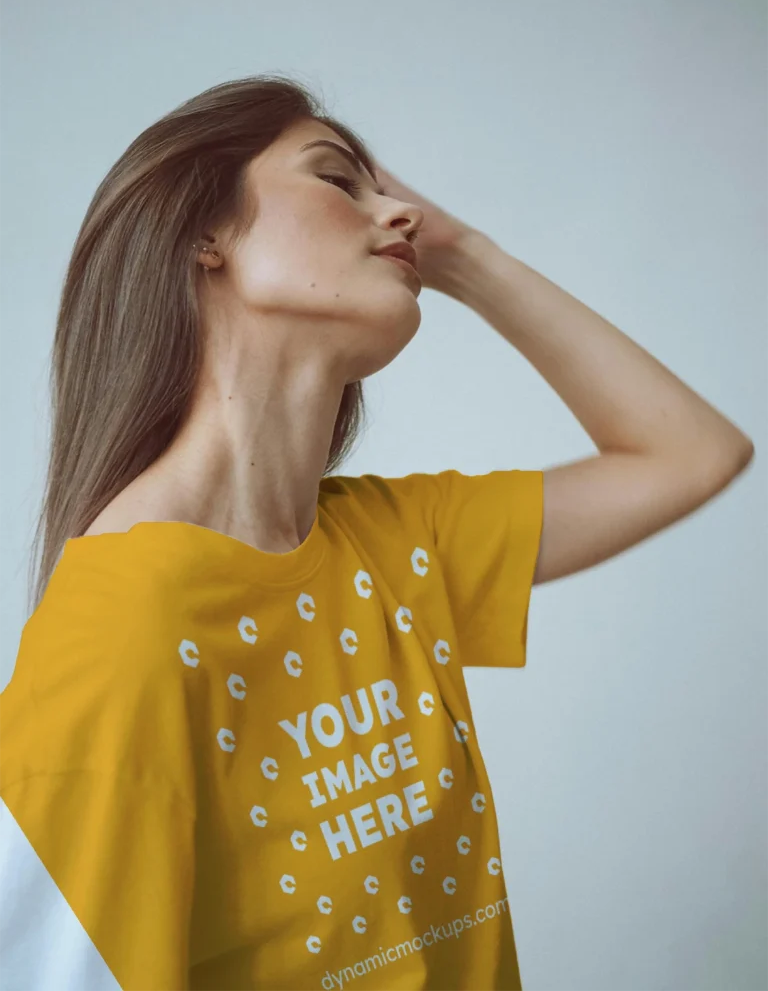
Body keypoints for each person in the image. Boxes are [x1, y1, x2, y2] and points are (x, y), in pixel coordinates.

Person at [0, 74, 753, 991]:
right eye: (337, 181)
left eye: (386, 192)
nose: (397, 212)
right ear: (205, 234)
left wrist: (466, 255)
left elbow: (692, 453)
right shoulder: (118, 632)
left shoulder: (394, 542)